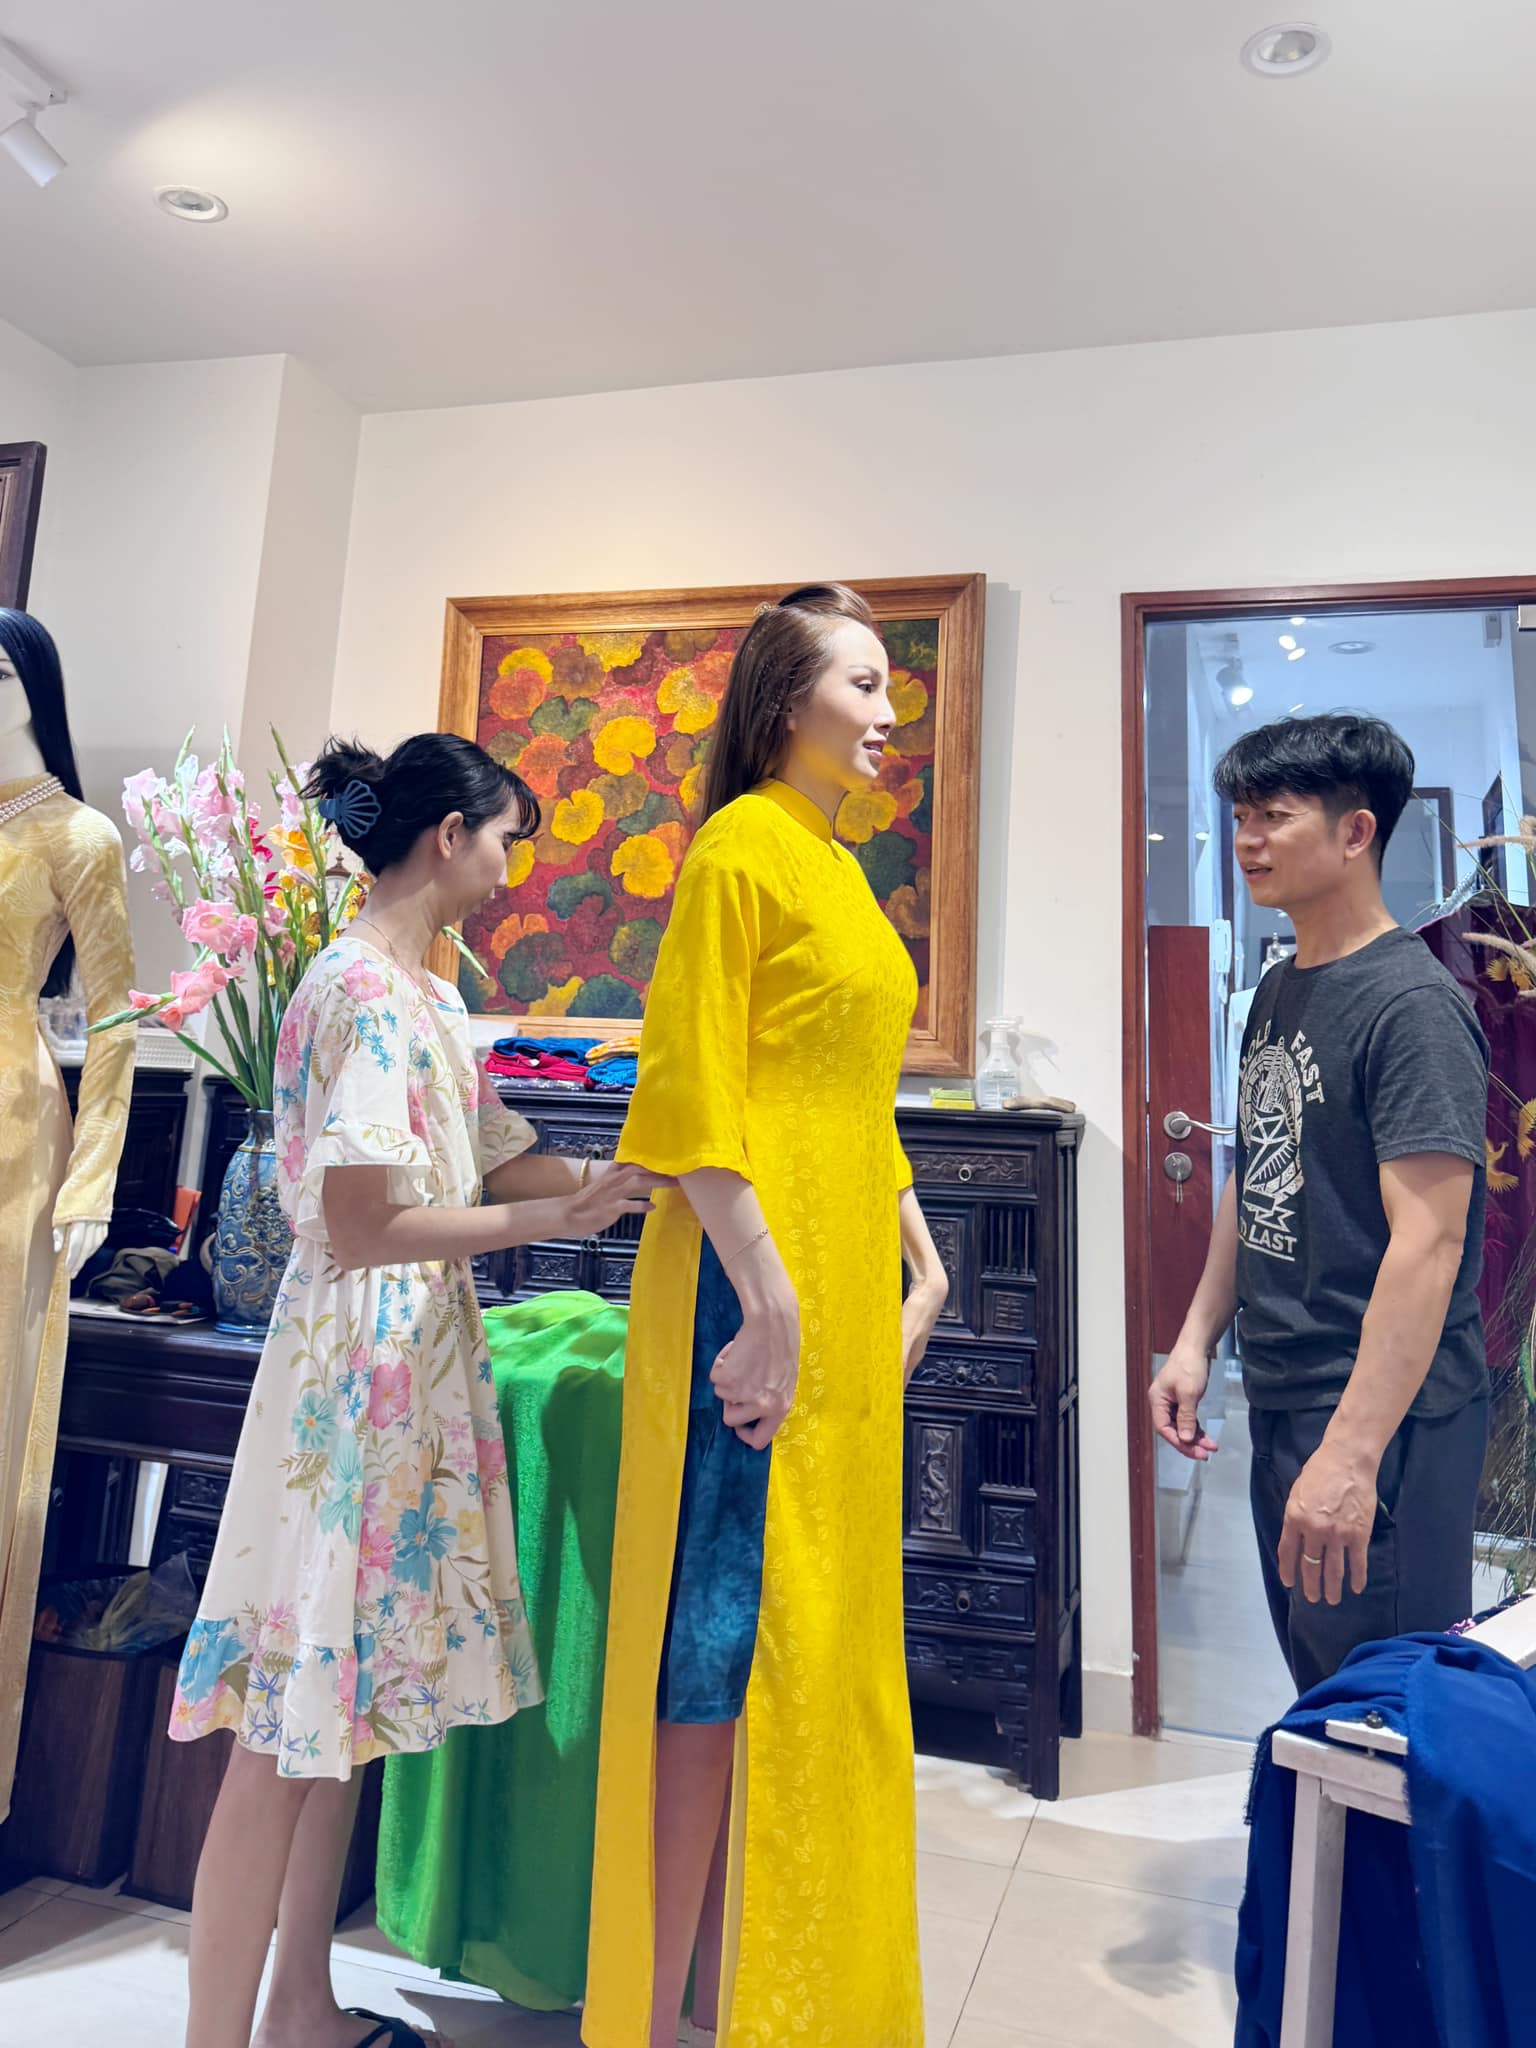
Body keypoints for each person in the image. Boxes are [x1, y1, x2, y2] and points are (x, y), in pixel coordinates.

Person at [172, 732, 666, 2048]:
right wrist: (552, 1217)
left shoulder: (426, 994)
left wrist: (623, 1180)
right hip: (357, 1369)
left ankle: (299, 2008)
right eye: (503, 841)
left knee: (344, 1718)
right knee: (285, 1734)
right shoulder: (359, 988)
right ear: (448, 836)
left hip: (405, 1365)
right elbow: (367, 1224)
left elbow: (495, 1161)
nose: (508, 871)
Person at [583, 585, 949, 2048]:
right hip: (752, 1297)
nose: (887, 713)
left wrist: (919, 1262)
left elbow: (856, 1099)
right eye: (863, 684)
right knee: (721, 1650)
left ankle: (780, 1995)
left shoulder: (841, 868)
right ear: (787, 700)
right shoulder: (739, 848)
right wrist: (770, 1293)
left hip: (841, 1293)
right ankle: (663, 2013)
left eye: (890, 687)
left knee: (824, 1638)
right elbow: (688, 1093)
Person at [1150, 713, 1490, 1696]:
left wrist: (1351, 1451)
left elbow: (1430, 1244)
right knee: (1319, 1684)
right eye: (1240, 816)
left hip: (1385, 1414)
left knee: (1382, 1705)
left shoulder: (1412, 1007)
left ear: (1355, 831)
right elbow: (1256, 1172)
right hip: (1290, 1393)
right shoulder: (1280, 989)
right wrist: (1195, 1341)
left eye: (1274, 816)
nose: (1247, 839)